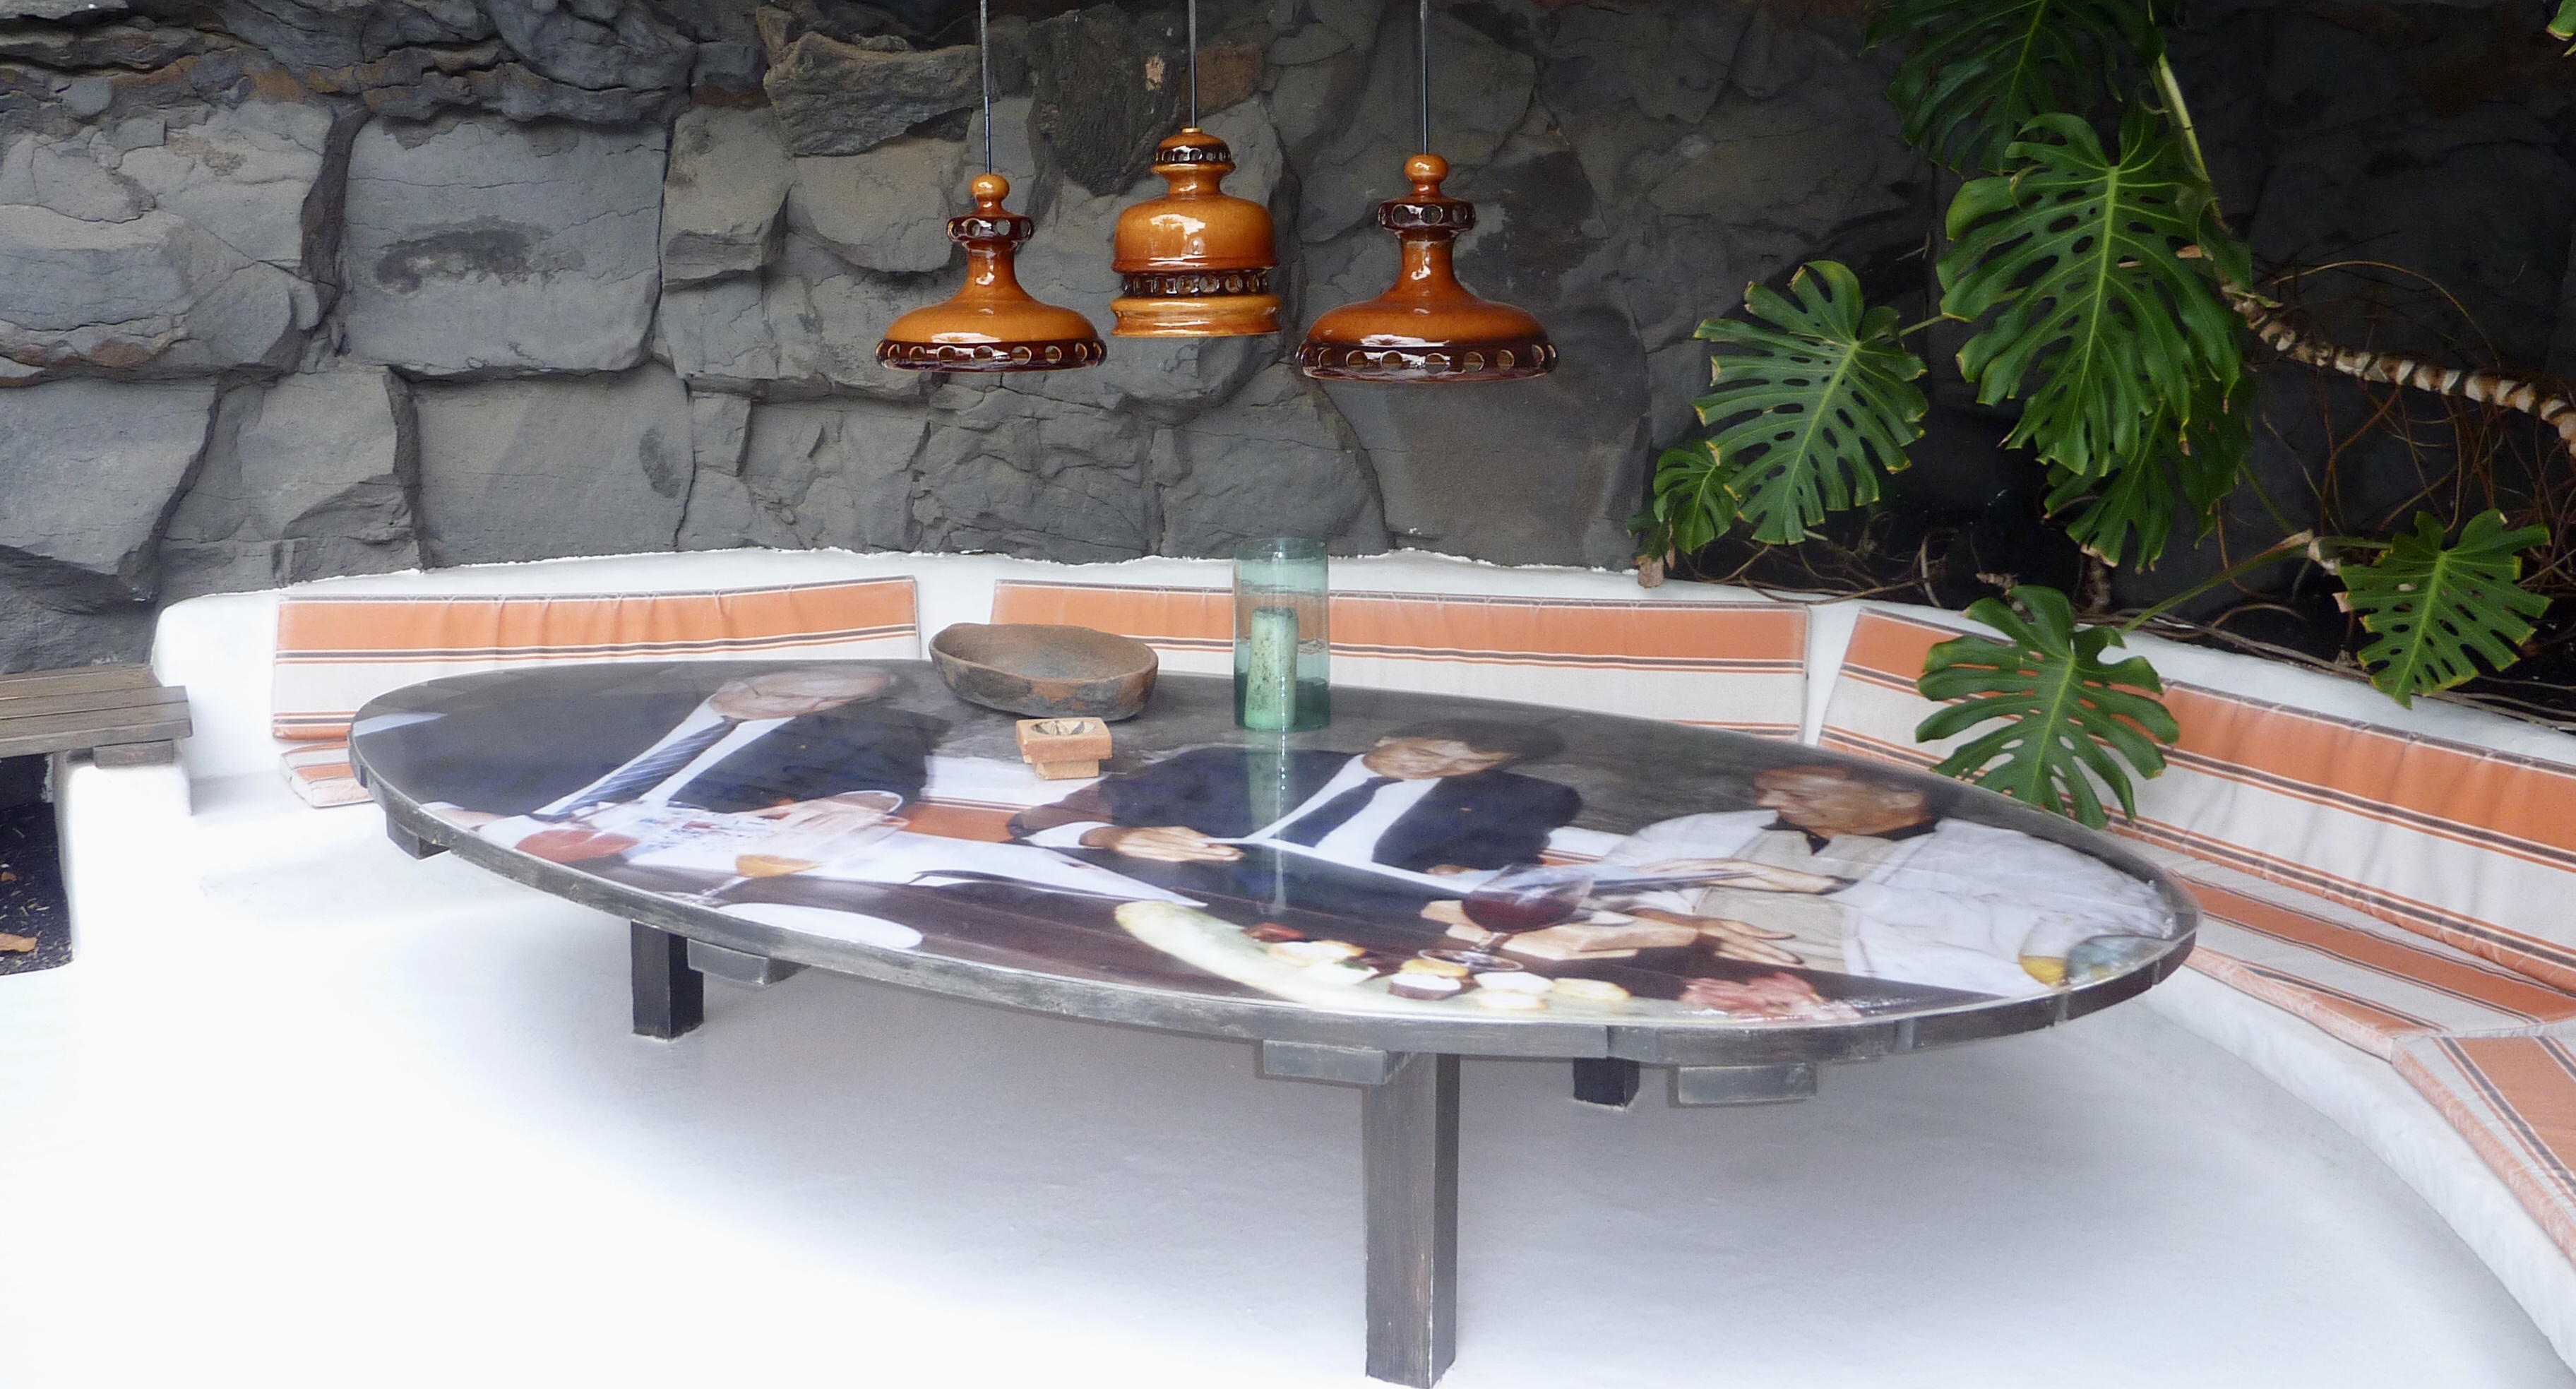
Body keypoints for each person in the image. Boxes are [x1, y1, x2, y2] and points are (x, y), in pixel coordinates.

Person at [1586, 763, 2175, 999]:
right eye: (1764, 789)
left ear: (1903, 797)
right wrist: (1674, 924)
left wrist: (1830, 889)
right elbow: (1608, 886)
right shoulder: (1701, 832)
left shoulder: (2004, 857)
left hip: (1890, 1000)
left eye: (1797, 794)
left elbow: (2123, 935)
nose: (1766, 803)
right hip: (1677, 985)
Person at [1007, 720, 1582, 921]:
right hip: (1189, 887)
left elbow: (1508, 864)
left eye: (1470, 764)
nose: (1439, 768)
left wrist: (1464, 874)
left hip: (1358, 912)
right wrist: (1120, 836)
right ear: (1386, 737)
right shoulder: (1227, 765)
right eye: (1427, 752)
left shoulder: (1519, 801)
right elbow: (1045, 821)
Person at [397, 661, 948, 844]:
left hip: (645, 850)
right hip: (498, 828)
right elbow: (432, 747)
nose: (809, 699)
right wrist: (454, 815)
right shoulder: (622, 704)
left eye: (832, 697)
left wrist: (866, 801)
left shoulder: (831, 735)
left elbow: (887, 766)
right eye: (788, 685)